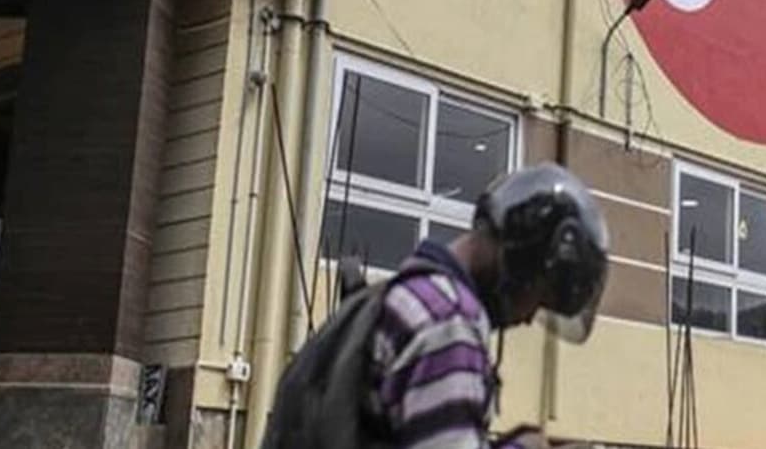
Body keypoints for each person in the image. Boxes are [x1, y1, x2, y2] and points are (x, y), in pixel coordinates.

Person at [261, 163, 609, 449]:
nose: (529, 317)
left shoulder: (401, 297)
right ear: (523, 258)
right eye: (538, 297)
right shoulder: (448, 321)